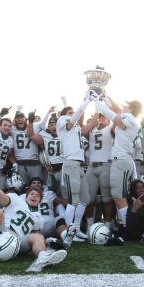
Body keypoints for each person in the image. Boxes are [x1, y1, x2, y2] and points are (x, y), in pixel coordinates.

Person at [0, 159, 68, 270]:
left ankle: (42, 256)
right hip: (0, 233)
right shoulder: (16, 199)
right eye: (32, 194)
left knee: (38, 236)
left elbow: (34, 239)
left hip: (18, 242)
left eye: (37, 196)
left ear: (40, 201)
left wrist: (47, 240)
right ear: (26, 196)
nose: (34, 196)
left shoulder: (39, 218)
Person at [93, 97, 143, 229]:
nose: (123, 109)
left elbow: (114, 116)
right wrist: (107, 96)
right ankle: (125, 225)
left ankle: (128, 227)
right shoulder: (130, 118)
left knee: (118, 197)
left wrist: (96, 101)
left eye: (127, 107)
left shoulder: (129, 118)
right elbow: (118, 111)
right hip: (120, 160)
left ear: (131, 109)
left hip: (121, 161)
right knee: (118, 196)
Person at [56, 97, 92, 235]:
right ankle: (67, 231)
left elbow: (83, 123)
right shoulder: (62, 120)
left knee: (85, 198)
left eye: (73, 112)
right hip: (71, 163)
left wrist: (94, 107)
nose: (72, 114)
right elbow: (77, 114)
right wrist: (87, 101)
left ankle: (76, 228)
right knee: (73, 200)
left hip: (79, 164)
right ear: (65, 114)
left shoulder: (75, 128)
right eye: (70, 112)